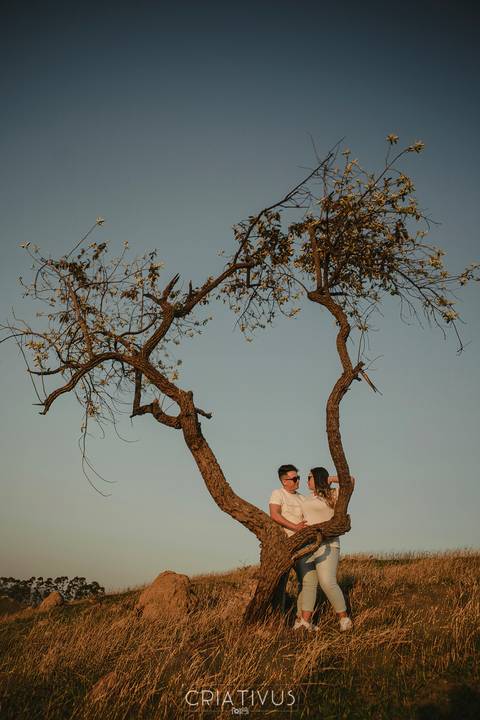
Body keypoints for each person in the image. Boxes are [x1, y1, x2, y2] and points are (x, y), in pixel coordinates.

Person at [294, 467, 354, 632]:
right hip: (306, 545)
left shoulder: (333, 494)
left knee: (327, 582)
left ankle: (344, 619)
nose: (306, 481)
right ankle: (305, 622)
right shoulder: (305, 500)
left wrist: (329, 480)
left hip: (328, 544)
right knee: (308, 584)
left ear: (318, 478)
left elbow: (351, 481)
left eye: (309, 477)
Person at [268, 464, 307, 613]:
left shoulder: (303, 498)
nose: (298, 481)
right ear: (284, 481)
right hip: (284, 545)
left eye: (299, 478)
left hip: (302, 546)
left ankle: (301, 618)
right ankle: (278, 617)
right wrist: (294, 527)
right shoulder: (278, 493)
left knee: (305, 581)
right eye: (295, 478)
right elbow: (274, 514)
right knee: (280, 582)